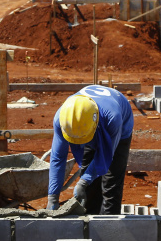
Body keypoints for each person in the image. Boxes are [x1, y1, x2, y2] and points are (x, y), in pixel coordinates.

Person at [47, 85, 134, 214]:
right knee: (89, 183)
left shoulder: (113, 118)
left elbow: (105, 156)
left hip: (119, 126)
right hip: (86, 126)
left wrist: (83, 182)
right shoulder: (62, 118)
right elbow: (58, 157)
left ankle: (109, 226)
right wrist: (53, 196)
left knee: (111, 182)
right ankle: (89, 222)